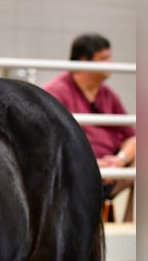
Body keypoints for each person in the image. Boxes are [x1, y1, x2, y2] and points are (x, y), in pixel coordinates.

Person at [43, 33, 136, 221]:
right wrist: (90, 162)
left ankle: (132, 230)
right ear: (84, 61)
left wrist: (120, 160)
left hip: (112, 170)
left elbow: (132, 137)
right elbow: (50, 144)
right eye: (104, 58)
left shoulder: (108, 95)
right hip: (76, 172)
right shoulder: (56, 92)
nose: (111, 63)